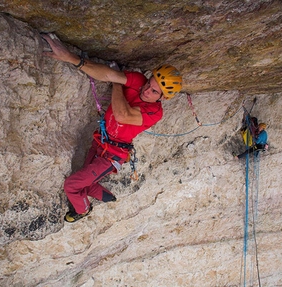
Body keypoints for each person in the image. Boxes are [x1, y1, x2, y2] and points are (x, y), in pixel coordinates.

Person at [41, 33, 183, 222]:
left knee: (72, 185)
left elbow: (122, 114)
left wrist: (118, 84)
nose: (146, 90)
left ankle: (83, 209)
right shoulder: (139, 81)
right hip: (100, 141)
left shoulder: (154, 112)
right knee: (86, 180)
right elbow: (107, 74)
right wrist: (70, 58)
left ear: (163, 98)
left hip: (112, 156)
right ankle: (96, 190)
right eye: (149, 83)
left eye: (154, 91)